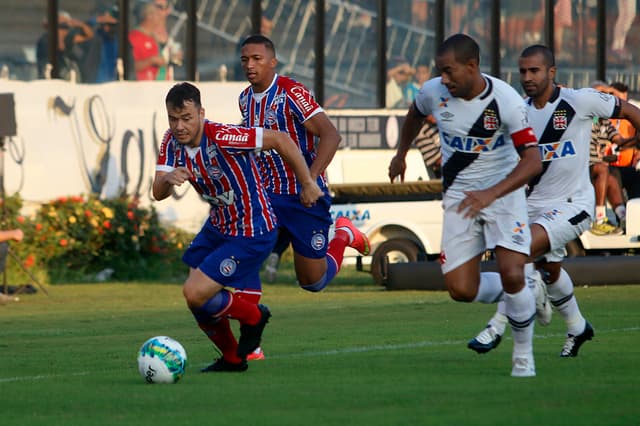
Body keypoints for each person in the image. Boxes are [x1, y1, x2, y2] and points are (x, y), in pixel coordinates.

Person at [467, 45, 640, 360]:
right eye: (522, 71)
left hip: (574, 204)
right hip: (532, 208)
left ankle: (497, 325)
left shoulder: (580, 100)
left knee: (520, 255)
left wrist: (635, 140)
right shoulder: (518, 111)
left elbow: (630, 111)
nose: (527, 78)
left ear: (551, 72)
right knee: (549, 268)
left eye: (534, 71)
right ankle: (577, 326)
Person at [388, 34, 542, 377]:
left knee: (512, 270)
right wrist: (400, 154)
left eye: (449, 71)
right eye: (440, 72)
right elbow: (414, 114)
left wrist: (492, 192)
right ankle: (527, 290)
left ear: (471, 67)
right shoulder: (434, 92)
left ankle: (523, 356)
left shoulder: (506, 101)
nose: (443, 79)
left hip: (503, 197)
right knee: (460, 289)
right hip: (459, 199)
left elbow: (532, 161)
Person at [153, 82, 323, 372]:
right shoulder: (171, 141)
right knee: (196, 300)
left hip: (252, 229)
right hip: (218, 227)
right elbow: (157, 192)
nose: (179, 126)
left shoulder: (223, 135)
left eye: (186, 118)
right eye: (173, 118)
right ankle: (233, 358)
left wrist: (307, 182)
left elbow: (281, 140)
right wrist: (168, 179)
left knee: (195, 292)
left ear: (201, 113)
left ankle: (254, 316)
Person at [238, 34, 370, 363]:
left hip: (303, 197)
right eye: (245, 60)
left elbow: (331, 134)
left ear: (272, 62)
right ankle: (251, 345)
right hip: (267, 196)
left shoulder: (291, 93)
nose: (250, 65)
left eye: (256, 59)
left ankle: (342, 234)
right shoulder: (244, 99)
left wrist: (308, 179)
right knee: (247, 258)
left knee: (312, 282)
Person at [36, 11, 95, 81]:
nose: (64, 30)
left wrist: (80, 24)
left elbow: (89, 36)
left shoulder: (68, 39)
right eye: (60, 27)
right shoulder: (45, 40)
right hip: (50, 80)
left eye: (66, 27)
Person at [129, 1, 169, 80]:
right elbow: (130, 66)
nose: (160, 16)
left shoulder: (153, 37)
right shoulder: (135, 37)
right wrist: (151, 61)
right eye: (157, 13)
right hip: (142, 87)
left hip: (157, 85)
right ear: (149, 16)